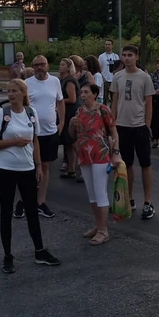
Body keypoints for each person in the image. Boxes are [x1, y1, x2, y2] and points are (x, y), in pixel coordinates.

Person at [0, 79, 61, 273]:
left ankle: (40, 251)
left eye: (14, 91)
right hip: (5, 170)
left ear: (23, 93)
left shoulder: (31, 113)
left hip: (26, 169)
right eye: (9, 91)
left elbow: (35, 141)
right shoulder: (1, 114)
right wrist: (13, 142)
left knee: (32, 211)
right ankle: (8, 255)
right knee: (6, 212)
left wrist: (38, 165)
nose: (10, 94)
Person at [110, 45, 157, 220]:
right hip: (122, 126)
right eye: (124, 55)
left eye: (130, 55)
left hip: (139, 127)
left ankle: (148, 202)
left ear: (136, 57)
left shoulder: (145, 77)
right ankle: (128, 199)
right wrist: (111, 126)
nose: (127, 58)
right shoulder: (117, 77)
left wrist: (147, 126)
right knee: (126, 164)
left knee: (145, 164)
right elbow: (114, 102)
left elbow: (149, 104)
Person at [70, 83, 120, 244]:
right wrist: (72, 124)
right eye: (81, 92)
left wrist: (116, 154)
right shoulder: (79, 111)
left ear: (95, 94)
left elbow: (113, 131)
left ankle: (103, 230)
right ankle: (98, 225)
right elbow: (73, 135)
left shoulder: (102, 109)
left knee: (100, 192)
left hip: (101, 153)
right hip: (85, 154)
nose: (82, 95)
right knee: (91, 194)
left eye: (86, 92)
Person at [24, 55, 65, 218]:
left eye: (43, 64)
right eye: (36, 65)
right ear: (32, 67)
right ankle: (26, 201)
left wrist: (61, 123)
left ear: (48, 65)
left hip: (49, 132)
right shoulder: (27, 84)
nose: (40, 67)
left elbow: (60, 102)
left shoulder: (55, 81)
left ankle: (40, 202)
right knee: (30, 167)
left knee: (46, 167)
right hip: (32, 133)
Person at [58, 58, 80, 180]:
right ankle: (71, 169)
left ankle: (85, 163)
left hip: (70, 113)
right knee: (69, 143)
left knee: (73, 141)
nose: (60, 66)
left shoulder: (70, 81)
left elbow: (72, 99)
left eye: (63, 65)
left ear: (68, 67)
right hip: (66, 112)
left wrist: (57, 102)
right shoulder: (63, 80)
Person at [99, 40, 119, 106]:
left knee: (114, 98)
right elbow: (99, 68)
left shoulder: (116, 56)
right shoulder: (101, 56)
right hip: (105, 80)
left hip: (114, 80)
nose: (107, 46)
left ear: (112, 46)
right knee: (105, 98)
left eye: (109, 44)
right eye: (106, 44)